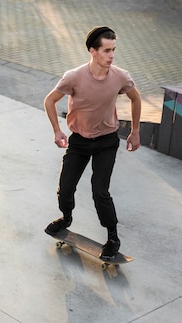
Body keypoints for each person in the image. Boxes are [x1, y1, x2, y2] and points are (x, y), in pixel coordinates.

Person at [43, 26, 142, 260]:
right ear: (92, 51)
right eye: (106, 50)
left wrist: (135, 131)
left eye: (114, 50)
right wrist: (57, 131)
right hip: (79, 141)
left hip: (107, 141)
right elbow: (49, 101)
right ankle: (66, 217)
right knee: (66, 187)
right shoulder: (74, 77)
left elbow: (136, 98)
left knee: (100, 191)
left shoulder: (120, 76)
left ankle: (113, 236)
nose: (111, 55)